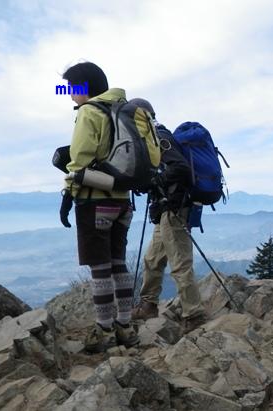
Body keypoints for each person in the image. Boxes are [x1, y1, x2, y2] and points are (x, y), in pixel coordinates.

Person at [59, 62, 139, 353]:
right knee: (118, 262)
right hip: (123, 202)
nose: (70, 96)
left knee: (100, 267)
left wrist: (68, 195)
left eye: (73, 89)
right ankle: (126, 327)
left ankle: (104, 331)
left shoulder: (90, 113)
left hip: (96, 200)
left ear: (85, 86)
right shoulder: (122, 110)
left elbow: (79, 161)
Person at [129, 98, 207, 333]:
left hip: (175, 208)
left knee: (180, 263)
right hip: (164, 209)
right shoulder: (150, 141)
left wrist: (156, 180)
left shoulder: (160, 138)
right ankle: (148, 305)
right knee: (152, 260)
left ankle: (193, 314)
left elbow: (180, 169)